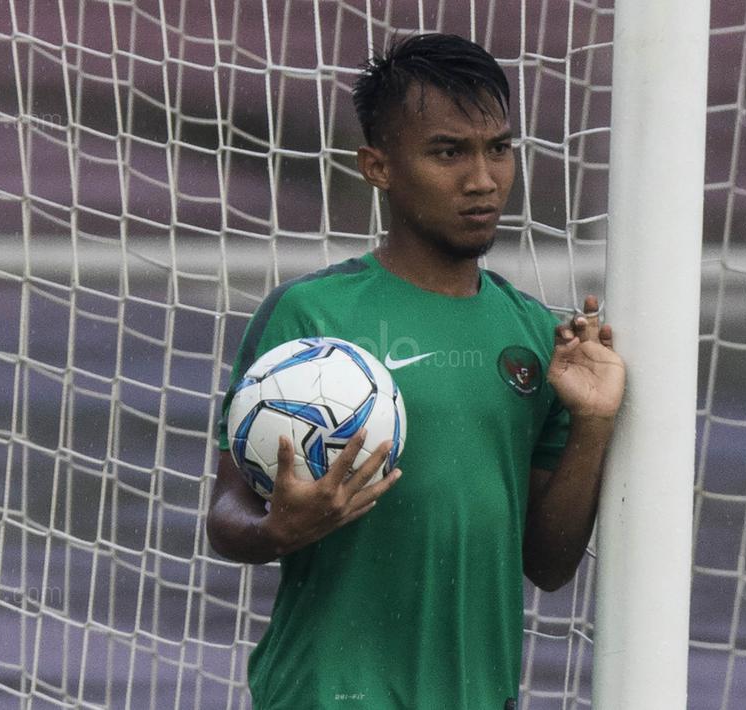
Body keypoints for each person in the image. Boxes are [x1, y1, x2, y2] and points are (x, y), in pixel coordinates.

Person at [207, 33, 625, 709]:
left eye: (498, 147)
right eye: (447, 152)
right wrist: (275, 531)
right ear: (378, 166)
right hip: (327, 694)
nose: (482, 179)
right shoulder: (311, 316)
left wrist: (592, 424)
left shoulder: (533, 336)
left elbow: (548, 565)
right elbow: (227, 511)